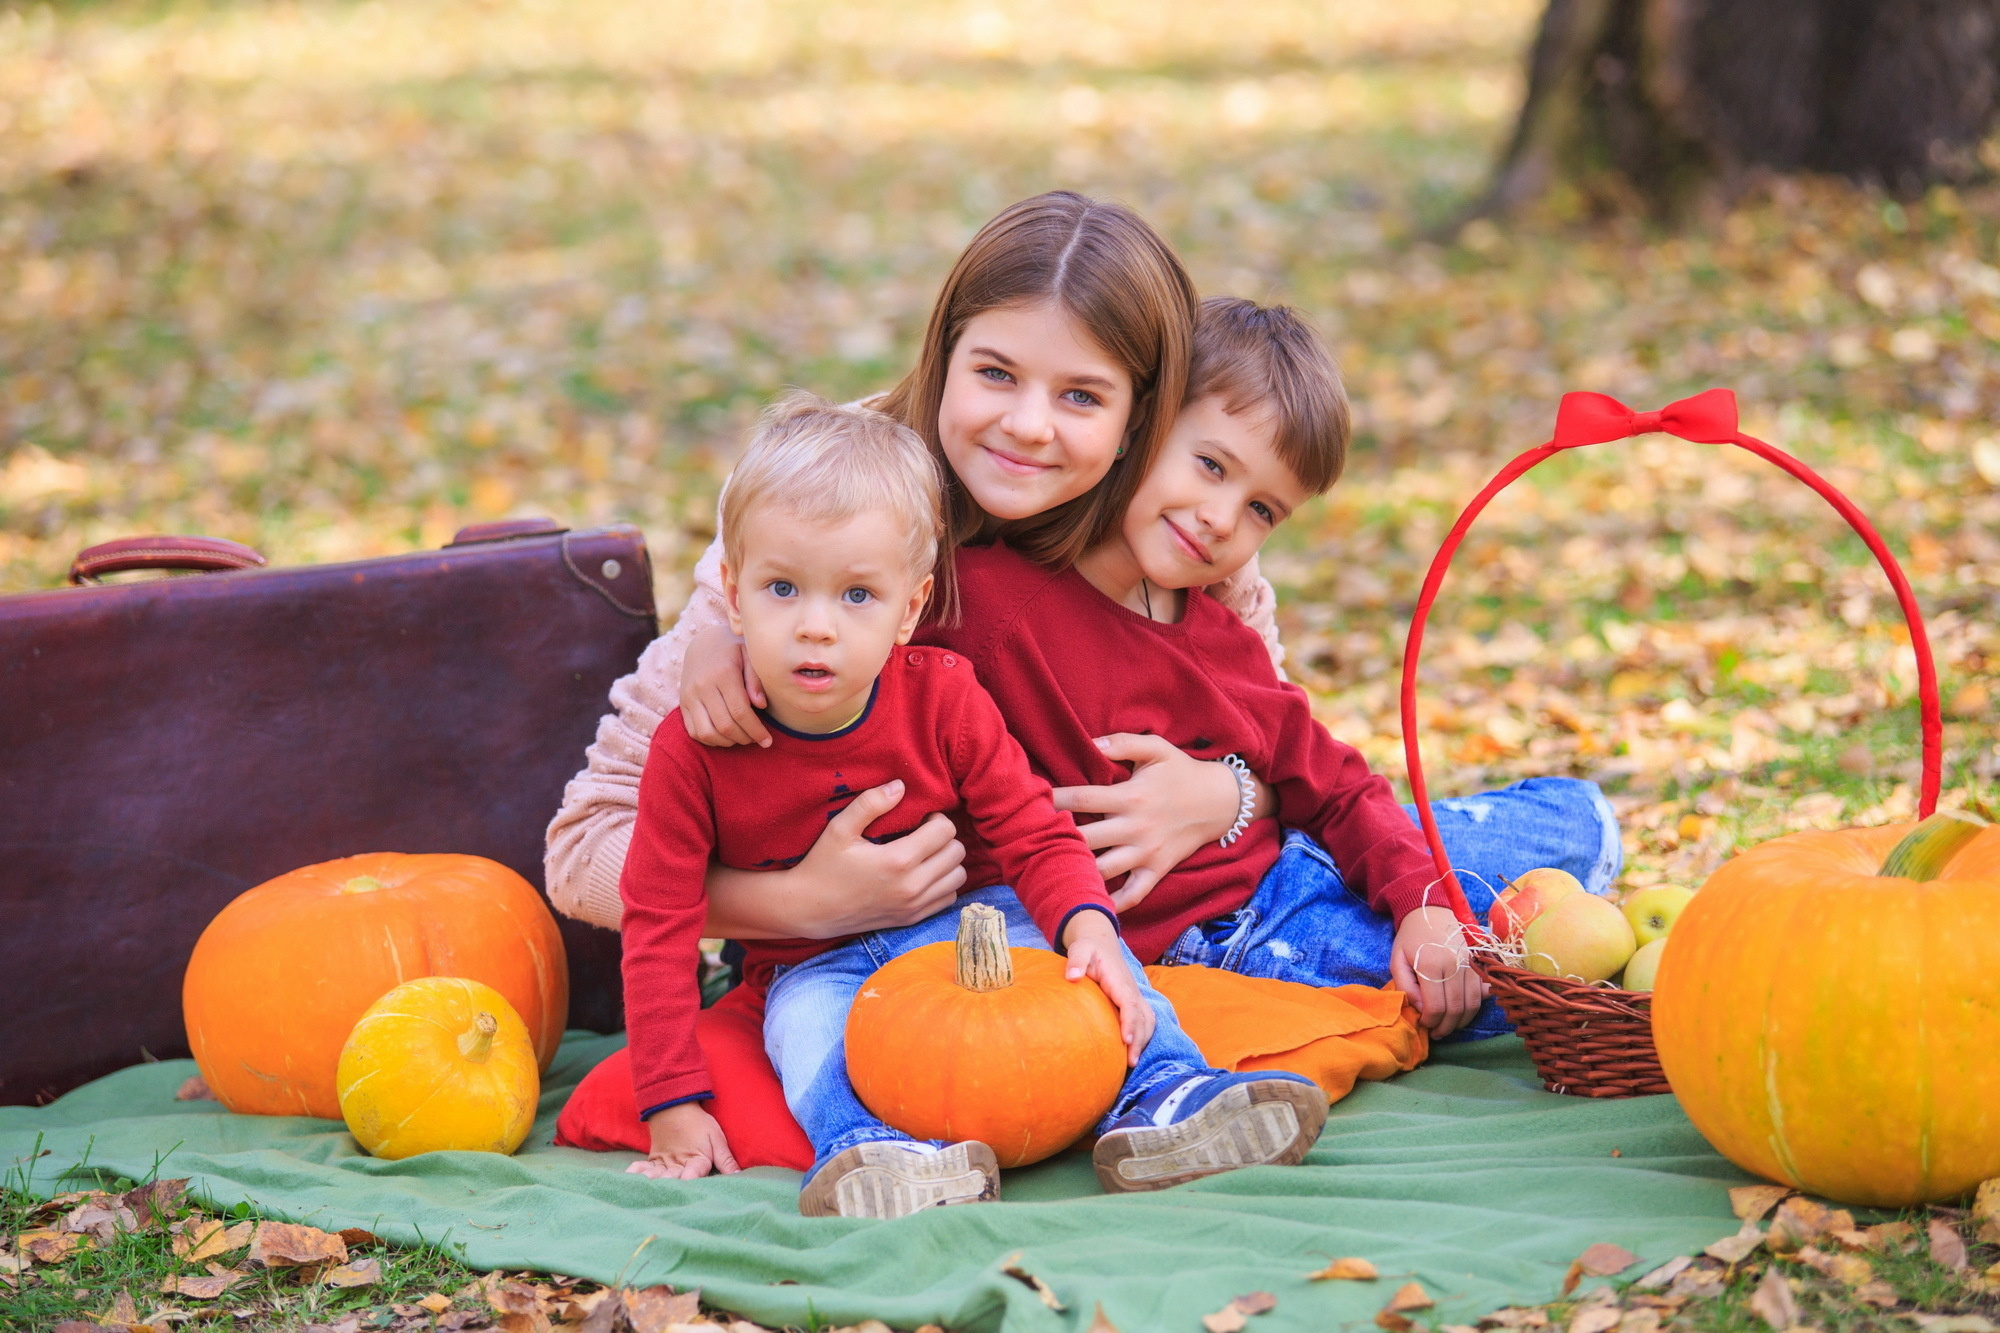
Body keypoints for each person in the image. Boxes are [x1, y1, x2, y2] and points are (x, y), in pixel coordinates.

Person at [619, 394, 1327, 1217]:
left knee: (1091, 981)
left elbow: (1032, 827)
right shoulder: (690, 751)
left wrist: (1087, 923)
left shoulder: (944, 698)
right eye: (783, 588)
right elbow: (657, 922)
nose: (816, 626)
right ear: (734, 594)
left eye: (857, 595)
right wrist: (670, 1100)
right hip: (809, 965)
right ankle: (867, 1152)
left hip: (972, 919)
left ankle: (1169, 1091)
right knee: (808, 1033)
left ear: (910, 608)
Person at [548, 192, 1286, 954]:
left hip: (1106, 945)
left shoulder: (1181, 527)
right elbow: (581, 853)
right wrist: (796, 903)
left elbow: (1293, 752)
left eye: (1080, 395)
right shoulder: (825, 504)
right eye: (996, 372)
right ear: (945, 353)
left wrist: (1228, 794)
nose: (1029, 425)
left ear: (1138, 415)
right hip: (859, 971)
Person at [927, 299, 1623, 1037]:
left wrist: (1424, 903)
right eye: (1210, 466)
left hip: (1290, 871)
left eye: (1262, 509)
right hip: (1221, 943)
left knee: (1573, 815)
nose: (1221, 519)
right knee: (1498, 979)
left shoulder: (1222, 638)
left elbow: (1334, 782)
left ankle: (1505, 919)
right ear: (1141, 427)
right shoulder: (987, 604)